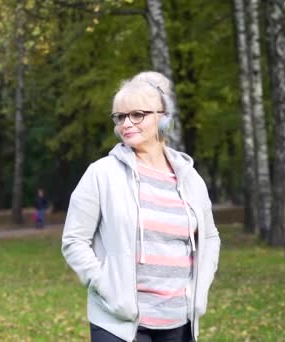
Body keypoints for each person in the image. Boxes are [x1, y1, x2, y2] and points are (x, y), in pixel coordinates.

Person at [61, 71, 220, 342]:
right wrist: (106, 285)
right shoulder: (101, 174)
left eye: (137, 114)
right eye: (120, 117)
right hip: (118, 323)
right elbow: (74, 240)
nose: (127, 123)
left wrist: (199, 290)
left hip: (179, 322)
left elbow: (209, 237)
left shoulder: (189, 178)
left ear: (163, 119)